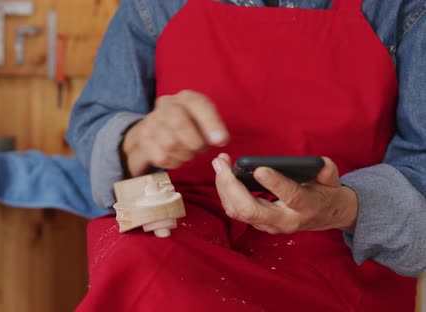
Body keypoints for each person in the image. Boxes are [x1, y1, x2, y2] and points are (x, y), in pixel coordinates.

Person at [66, 0, 426, 310]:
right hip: (183, 240)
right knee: (140, 267)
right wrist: (139, 138)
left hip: (343, 252)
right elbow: (93, 123)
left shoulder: (400, 8)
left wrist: (342, 207)